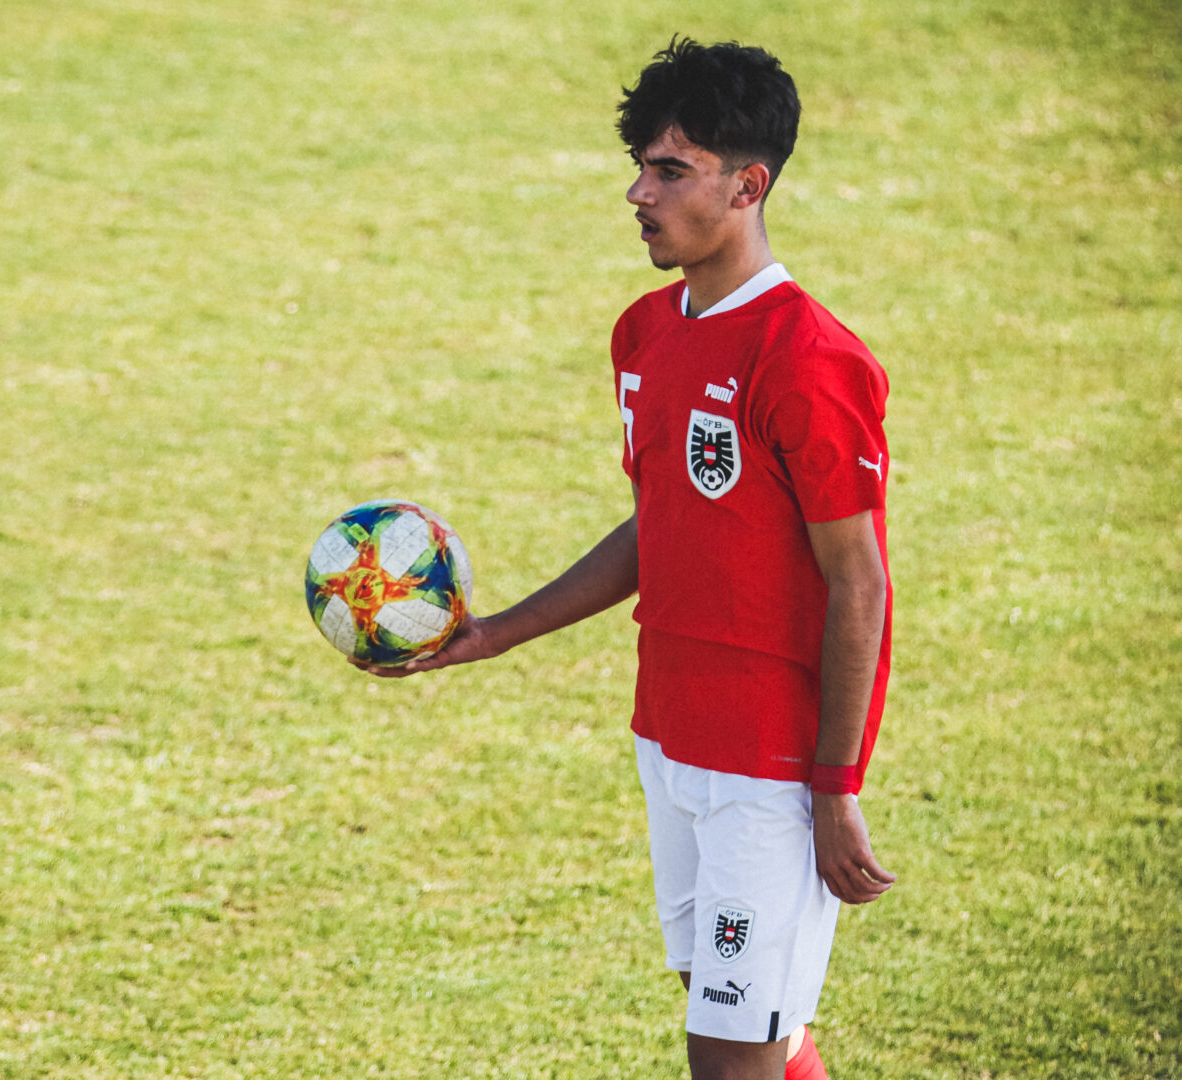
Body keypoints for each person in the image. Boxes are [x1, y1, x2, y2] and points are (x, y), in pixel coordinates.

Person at [358, 37, 896, 1080]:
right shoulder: (646, 335)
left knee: (727, 1056)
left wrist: (835, 786)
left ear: (747, 185)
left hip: (768, 772)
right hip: (670, 738)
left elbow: (858, 581)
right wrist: (492, 635)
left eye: (670, 170)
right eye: (642, 165)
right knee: (752, 1026)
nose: (638, 193)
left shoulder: (809, 360)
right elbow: (664, 527)